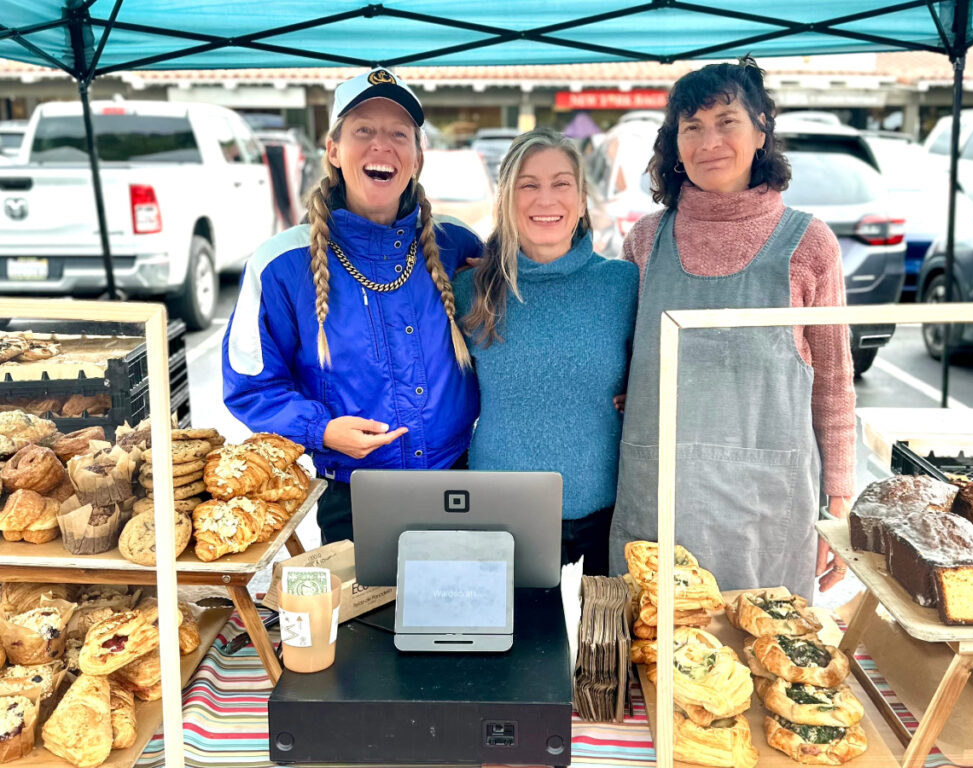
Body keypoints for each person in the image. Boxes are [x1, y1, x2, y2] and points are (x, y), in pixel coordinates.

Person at [608, 57, 856, 597]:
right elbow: (623, 359)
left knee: (762, 658)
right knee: (648, 669)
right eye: (690, 127)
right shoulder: (644, 242)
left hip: (766, 510)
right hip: (658, 501)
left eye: (727, 121)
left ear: (761, 129)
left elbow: (834, 383)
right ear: (673, 144)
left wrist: (839, 501)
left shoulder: (810, 244)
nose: (708, 141)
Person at [223, 68, 481, 544]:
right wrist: (321, 430)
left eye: (398, 134)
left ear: (417, 157)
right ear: (334, 151)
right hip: (354, 496)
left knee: (459, 615)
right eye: (363, 130)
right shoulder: (281, 264)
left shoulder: (456, 245)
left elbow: (515, 336)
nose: (381, 146)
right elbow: (252, 387)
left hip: (461, 483)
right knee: (364, 620)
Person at [454, 128, 638, 576]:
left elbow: (651, 375)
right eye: (528, 185)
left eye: (561, 184)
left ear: (580, 200)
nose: (546, 199)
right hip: (503, 511)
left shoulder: (623, 284)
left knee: (608, 646)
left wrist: (641, 397)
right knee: (516, 646)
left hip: (610, 511)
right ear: (506, 200)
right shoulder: (468, 290)